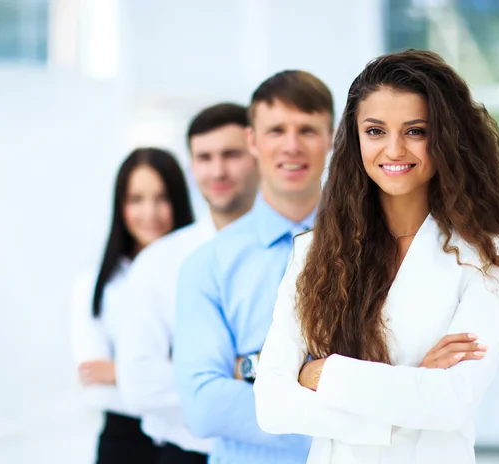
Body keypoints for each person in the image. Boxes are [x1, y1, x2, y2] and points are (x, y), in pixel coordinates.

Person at [254, 49, 499, 464]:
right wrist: (409, 389)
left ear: (446, 138)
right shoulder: (314, 251)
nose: (393, 149)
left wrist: (321, 374)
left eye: (415, 131)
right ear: (355, 138)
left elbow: (450, 403)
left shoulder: (485, 256)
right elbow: (270, 405)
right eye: (375, 131)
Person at [173, 70, 334, 464]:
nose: (292, 146)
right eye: (277, 130)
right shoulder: (207, 264)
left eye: (308, 130)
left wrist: (253, 371)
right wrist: (342, 418)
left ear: (332, 138)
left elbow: (398, 371)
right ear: (253, 140)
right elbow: (204, 405)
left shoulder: (375, 248)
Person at [116, 103, 259, 464]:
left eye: (231, 155)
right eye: (204, 157)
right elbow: (139, 383)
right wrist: (251, 369)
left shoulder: (299, 247)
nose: (217, 170)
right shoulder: (157, 262)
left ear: (257, 153)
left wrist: (193, 369)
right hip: (186, 455)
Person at [71, 148, 193, 464]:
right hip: (122, 444)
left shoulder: (201, 271)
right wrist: (175, 372)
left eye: (162, 198)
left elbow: (216, 379)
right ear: (120, 206)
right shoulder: (95, 284)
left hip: (189, 442)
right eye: (136, 199)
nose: (149, 212)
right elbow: (94, 385)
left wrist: (120, 372)